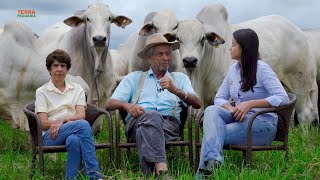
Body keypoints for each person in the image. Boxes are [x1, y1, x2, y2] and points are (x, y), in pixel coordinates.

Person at [106, 33, 201, 178]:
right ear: (149, 58)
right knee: (151, 117)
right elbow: (109, 104)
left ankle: (150, 174)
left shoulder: (180, 78)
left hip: (168, 127)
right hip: (137, 122)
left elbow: (198, 103)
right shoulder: (134, 78)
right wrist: (128, 106)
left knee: (145, 128)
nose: (165, 58)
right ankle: (162, 171)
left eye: (168, 54)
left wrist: (176, 90)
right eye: (160, 54)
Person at [196, 29, 289, 177]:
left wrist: (250, 104)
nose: (229, 48)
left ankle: (205, 175)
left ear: (244, 48)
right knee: (211, 110)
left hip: (261, 125)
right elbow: (219, 98)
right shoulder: (233, 69)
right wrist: (230, 108)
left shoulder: (262, 69)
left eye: (233, 45)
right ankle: (213, 164)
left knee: (212, 135)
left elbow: (283, 98)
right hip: (239, 118)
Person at [35, 49, 103, 180]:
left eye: (63, 66)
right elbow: (43, 123)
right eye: (55, 65)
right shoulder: (42, 91)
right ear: (49, 69)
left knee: (74, 140)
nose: (59, 69)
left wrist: (62, 120)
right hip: (51, 135)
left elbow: (81, 115)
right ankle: (95, 175)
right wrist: (64, 123)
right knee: (83, 125)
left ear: (67, 69)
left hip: (73, 131)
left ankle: (71, 178)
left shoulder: (77, 89)